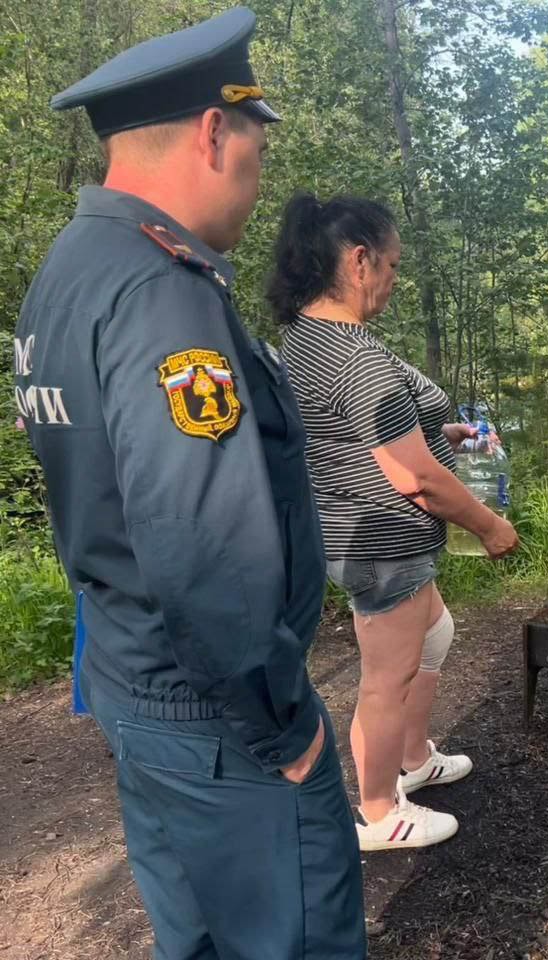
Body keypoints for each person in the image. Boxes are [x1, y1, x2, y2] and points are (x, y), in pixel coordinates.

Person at [12, 9, 365, 958]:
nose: (258, 175)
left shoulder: (68, 273)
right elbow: (204, 543)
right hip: (222, 721)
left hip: (136, 686)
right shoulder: (162, 291)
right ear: (215, 131)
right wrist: (284, 724)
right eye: (257, 146)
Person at [268, 193, 519, 852]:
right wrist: (489, 526)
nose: (395, 278)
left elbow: (363, 430)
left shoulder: (311, 339)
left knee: (435, 633)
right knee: (386, 678)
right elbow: (417, 479)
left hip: (360, 530)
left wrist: (445, 431)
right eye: (393, 264)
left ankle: (414, 758)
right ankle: (380, 812)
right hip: (382, 541)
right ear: (359, 261)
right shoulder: (354, 358)